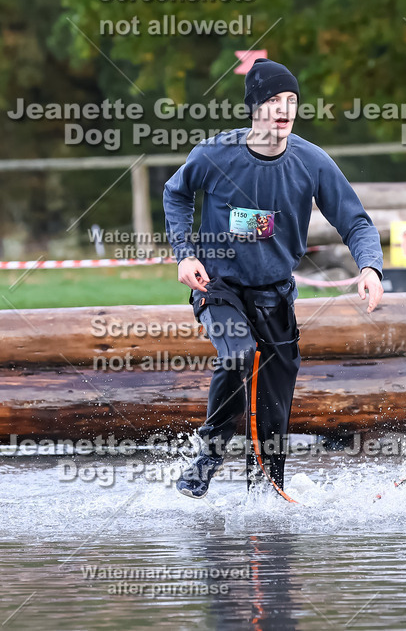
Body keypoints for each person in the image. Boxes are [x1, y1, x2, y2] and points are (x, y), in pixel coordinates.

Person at [163, 58, 383, 499]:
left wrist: (370, 267)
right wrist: (185, 255)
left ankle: (264, 493)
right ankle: (208, 454)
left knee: (275, 407)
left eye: (291, 101)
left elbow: (356, 222)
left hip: (276, 296)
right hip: (219, 287)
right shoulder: (214, 154)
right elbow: (176, 192)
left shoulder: (311, 161)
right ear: (253, 108)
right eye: (272, 101)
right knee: (240, 354)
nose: (283, 109)